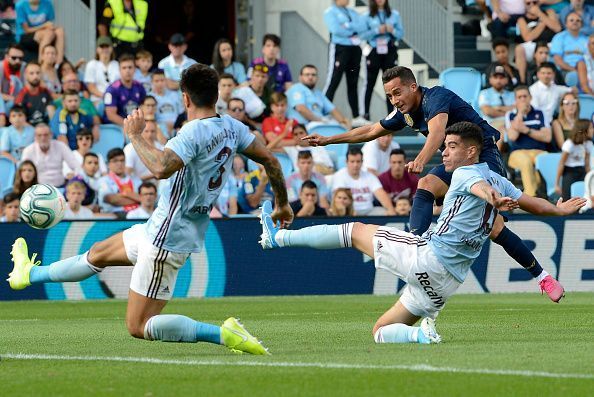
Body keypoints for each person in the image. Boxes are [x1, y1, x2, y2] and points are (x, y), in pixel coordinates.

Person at [8, 63, 293, 353]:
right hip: (159, 227)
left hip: (166, 239)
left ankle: (224, 334)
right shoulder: (233, 127)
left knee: (139, 325)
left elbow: (160, 168)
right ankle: (29, 274)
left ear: (185, 99)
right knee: (98, 254)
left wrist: (134, 135)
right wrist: (282, 203)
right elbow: (271, 159)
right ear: (216, 95)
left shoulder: (192, 133)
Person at [259, 122, 586, 344]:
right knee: (381, 332)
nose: (444, 153)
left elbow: (478, 187)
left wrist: (491, 197)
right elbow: (533, 204)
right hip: (445, 284)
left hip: (426, 257)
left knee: (352, 231)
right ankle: (421, 335)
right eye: (444, 146)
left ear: (471, 152)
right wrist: (559, 209)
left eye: (452, 146)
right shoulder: (501, 183)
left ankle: (279, 238)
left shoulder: (465, 174)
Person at [304, 66, 566, 301]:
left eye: (398, 93)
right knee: (427, 184)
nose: (395, 100)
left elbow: (438, 131)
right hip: (456, 160)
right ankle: (416, 244)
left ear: (413, 87)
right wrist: (328, 140)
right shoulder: (405, 113)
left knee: (494, 229)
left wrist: (420, 159)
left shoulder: (436, 97)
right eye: (390, 96)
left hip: (483, 154)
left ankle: (542, 277)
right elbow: (370, 131)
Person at [323, 0, 368, 126]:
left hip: (354, 48)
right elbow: (336, 29)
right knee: (333, 80)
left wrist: (347, 26)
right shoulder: (330, 12)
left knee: (353, 82)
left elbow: (362, 27)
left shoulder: (352, 12)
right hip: (339, 48)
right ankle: (324, 113)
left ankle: (356, 115)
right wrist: (353, 29)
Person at [506, 85, 552, 197]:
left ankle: (548, 194)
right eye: (519, 97)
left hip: (538, 151)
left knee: (545, 160)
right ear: (515, 100)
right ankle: (531, 197)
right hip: (517, 153)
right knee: (526, 162)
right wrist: (520, 113)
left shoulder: (540, 113)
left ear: (530, 98)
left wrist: (526, 130)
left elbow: (547, 137)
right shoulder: (511, 115)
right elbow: (512, 137)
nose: (522, 99)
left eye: (525, 96)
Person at [361, 0, 404, 120]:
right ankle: (365, 115)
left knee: (392, 83)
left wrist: (392, 31)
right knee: (369, 82)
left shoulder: (394, 14)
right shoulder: (366, 15)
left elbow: (400, 34)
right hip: (373, 51)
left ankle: (393, 115)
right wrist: (377, 30)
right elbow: (362, 35)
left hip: (389, 50)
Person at [331, 147, 395, 215]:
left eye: (358, 161)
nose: (355, 165)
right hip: (349, 212)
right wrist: (351, 213)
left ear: (362, 162)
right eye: (352, 161)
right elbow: (339, 201)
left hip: (369, 211)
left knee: (387, 213)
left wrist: (391, 210)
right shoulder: (339, 176)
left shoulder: (369, 176)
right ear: (346, 162)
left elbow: (381, 194)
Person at [286, 64, 350, 128]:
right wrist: (320, 121)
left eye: (313, 75)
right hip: (302, 129)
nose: (310, 77)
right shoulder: (296, 88)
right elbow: (301, 109)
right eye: (307, 74)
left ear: (317, 77)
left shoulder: (318, 93)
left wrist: (343, 121)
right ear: (300, 77)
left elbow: (333, 110)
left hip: (319, 127)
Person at [513, 1, 561, 84]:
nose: (532, 5)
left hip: (550, 43)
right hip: (533, 45)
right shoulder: (522, 19)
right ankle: (522, 81)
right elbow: (528, 37)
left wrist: (539, 14)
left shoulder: (549, 12)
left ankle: (556, 80)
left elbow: (557, 28)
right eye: (528, 3)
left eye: (534, 2)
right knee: (519, 49)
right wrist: (542, 24)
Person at [104, 53, 146, 126]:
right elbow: (111, 115)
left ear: (135, 69)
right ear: (119, 70)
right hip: (116, 127)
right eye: (124, 68)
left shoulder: (140, 86)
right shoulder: (112, 89)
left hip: (135, 125)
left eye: (130, 67)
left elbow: (143, 107)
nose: (127, 71)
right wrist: (129, 126)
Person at [555, 119, 592, 200]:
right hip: (569, 172)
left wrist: (590, 179)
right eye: (591, 128)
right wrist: (557, 184)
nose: (593, 130)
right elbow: (561, 163)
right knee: (567, 198)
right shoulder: (569, 144)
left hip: (582, 171)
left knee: (584, 197)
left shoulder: (589, 143)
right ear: (584, 130)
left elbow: (587, 164)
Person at [98, 147, 141, 215]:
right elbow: (113, 200)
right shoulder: (104, 180)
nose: (119, 163)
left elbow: (146, 197)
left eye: (122, 160)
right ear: (108, 164)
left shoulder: (136, 180)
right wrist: (138, 199)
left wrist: (126, 195)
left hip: (137, 215)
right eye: (115, 161)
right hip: (116, 216)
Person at [15, 61, 55, 126]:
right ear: (25, 75)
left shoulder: (45, 91)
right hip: (30, 130)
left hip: (46, 129)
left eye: (38, 73)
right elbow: (20, 121)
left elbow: (52, 113)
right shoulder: (21, 96)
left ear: (41, 74)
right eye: (31, 73)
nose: (35, 76)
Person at [84, 36, 120, 106]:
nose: (105, 49)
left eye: (107, 46)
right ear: (97, 49)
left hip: (116, 100)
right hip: (98, 100)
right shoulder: (92, 64)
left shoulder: (117, 64)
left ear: (111, 48)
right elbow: (91, 87)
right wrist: (106, 97)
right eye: (102, 47)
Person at [478, 65, 516, 131]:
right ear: (490, 79)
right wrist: (508, 113)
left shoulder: (512, 94)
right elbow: (488, 111)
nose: (498, 80)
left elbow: (516, 109)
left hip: (511, 123)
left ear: (506, 80)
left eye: (501, 77)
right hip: (491, 124)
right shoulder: (484, 93)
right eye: (495, 77)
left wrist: (497, 108)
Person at [150, 69, 182, 135]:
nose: (160, 83)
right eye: (156, 81)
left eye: (162, 80)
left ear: (166, 81)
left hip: (176, 127)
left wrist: (177, 125)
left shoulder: (175, 95)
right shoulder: (149, 97)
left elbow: (181, 113)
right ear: (152, 82)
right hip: (158, 129)